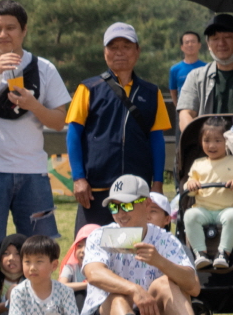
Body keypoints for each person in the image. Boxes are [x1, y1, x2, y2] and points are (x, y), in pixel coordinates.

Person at [0, 0, 69, 278]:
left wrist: (34, 106)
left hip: (33, 171)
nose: (3, 34)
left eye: (10, 28)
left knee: (39, 251)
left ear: (24, 30)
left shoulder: (44, 68)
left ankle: (36, 313)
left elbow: (59, 121)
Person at [80, 175, 215, 315]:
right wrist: (134, 290)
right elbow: (93, 274)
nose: (120, 214)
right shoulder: (101, 235)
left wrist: (160, 261)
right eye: (114, 207)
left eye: (126, 205)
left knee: (164, 283)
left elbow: (193, 287)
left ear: (147, 204)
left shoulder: (164, 239)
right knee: (118, 296)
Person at [66, 22, 170, 235]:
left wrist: (157, 184)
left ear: (137, 51)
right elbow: (74, 134)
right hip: (95, 189)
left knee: (133, 249)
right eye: (113, 47)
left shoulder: (152, 92)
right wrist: (78, 178)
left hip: (137, 189)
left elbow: (157, 139)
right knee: (92, 245)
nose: (119, 52)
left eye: (126, 46)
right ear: (105, 53)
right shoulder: (88, 88)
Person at [3, 234, 92, 315]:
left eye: (39, 262)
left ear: (54, 265)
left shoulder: (64, 291)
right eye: (27, 262)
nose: (32, 267)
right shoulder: (18, 291)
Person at [182, 116, 233, 269]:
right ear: (200, 141)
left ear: (227, 141)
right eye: (207, 140)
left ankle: (223, 253)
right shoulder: (198, 164)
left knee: (232, 216)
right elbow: (188, 192)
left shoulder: (231, 161)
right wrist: (190, 185)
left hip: (227, 208)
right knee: (190, 215)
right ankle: (200, 253)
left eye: (218, 141)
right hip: (203, 209)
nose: (212, 145)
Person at [177, 14, 233, 129]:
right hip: (208, 146)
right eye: (215, 39)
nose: (221, 43)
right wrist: (197, 141)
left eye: (227, 37)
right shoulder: (196, 77)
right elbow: (185, 113)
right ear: (208, 44)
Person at [171, 31, 204, 98]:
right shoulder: (175, 69)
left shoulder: (206, 68)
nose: (190, 45)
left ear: (199, 45)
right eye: (187, 42)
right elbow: (173, 91)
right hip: (183, 107)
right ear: (182, 47)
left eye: (193, 42)